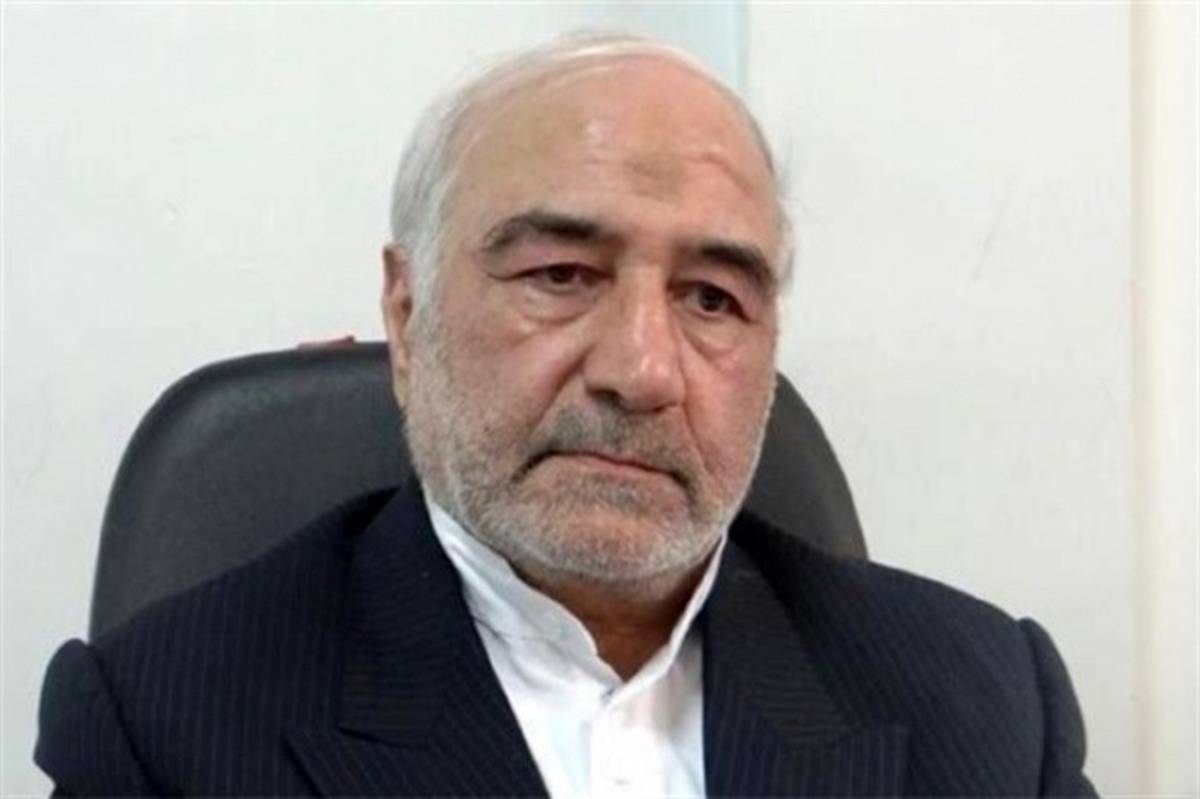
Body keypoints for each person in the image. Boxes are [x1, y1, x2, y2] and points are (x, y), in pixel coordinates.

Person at [35, 34, 1096, 796]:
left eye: (712, 298)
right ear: (406, 317)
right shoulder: (165, 730)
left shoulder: (989, 710)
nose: (642, 370)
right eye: (561, 274)